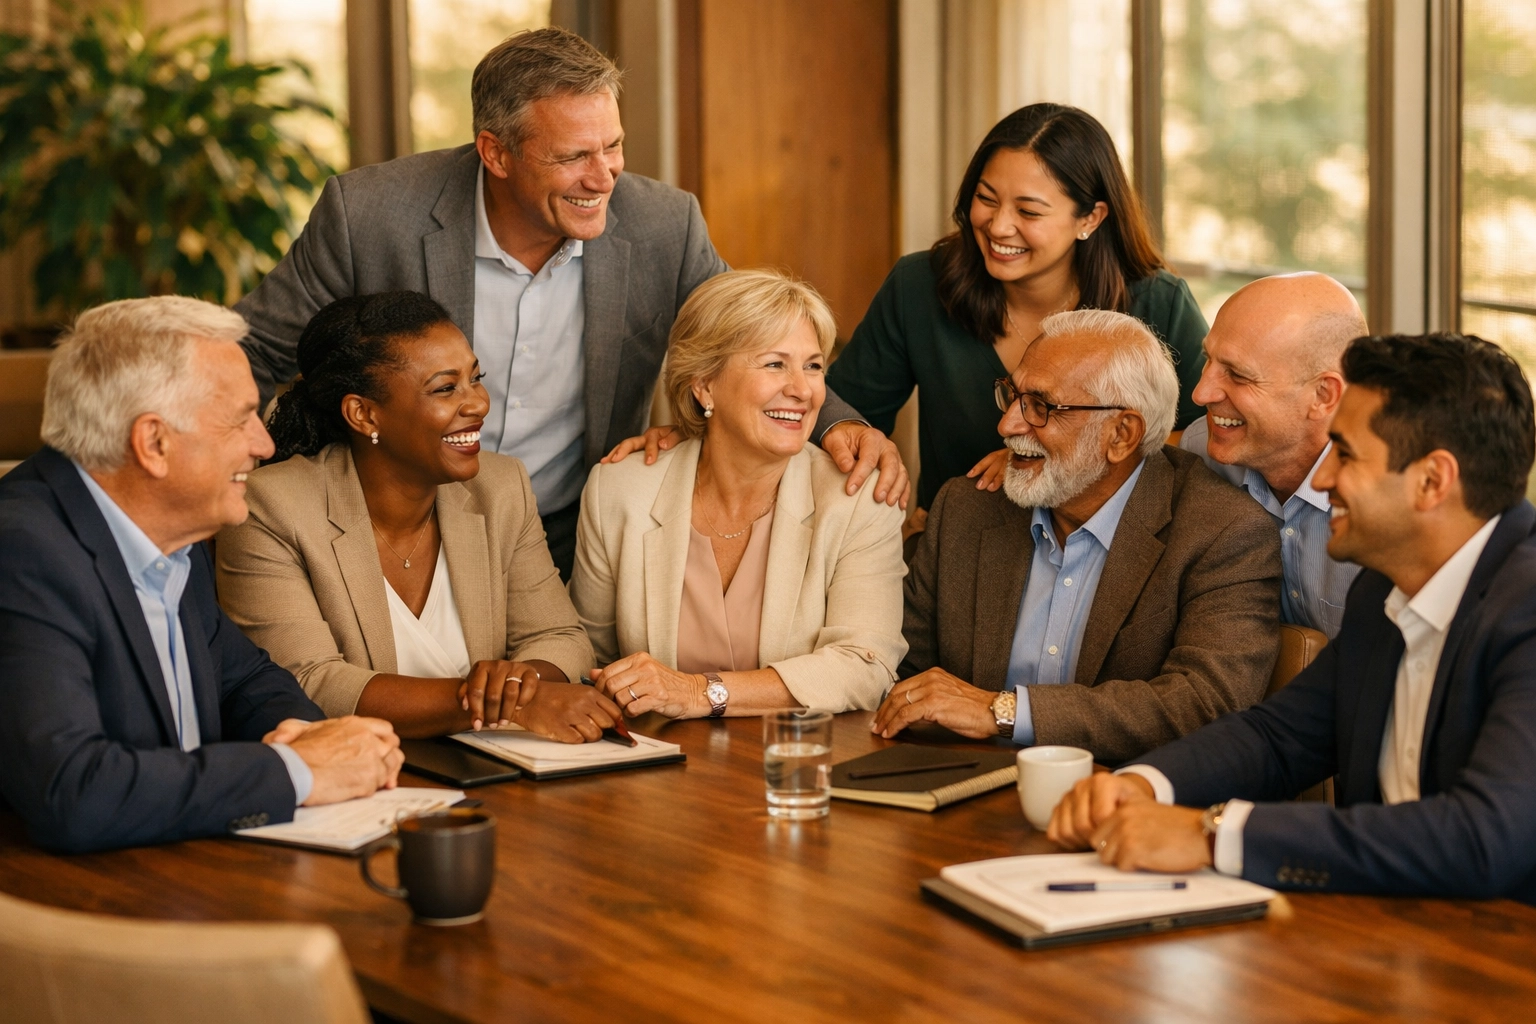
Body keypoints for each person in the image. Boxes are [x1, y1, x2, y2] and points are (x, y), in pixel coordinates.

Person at [234, 27, 907, 578]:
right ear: (495, 153)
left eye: (613, 146)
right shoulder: (371, 215)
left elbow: (749, 340)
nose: (604, 176)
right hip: (390, 529)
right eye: (573, 156)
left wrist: (837, 425)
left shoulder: (662, 225)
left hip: (562, 536)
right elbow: (258, 349)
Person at [1049, 333, 1536, 903]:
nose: (1324, 481)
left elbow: (1481, 840)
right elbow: (1278, 739)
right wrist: (1141, 786)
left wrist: (1214, 835)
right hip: (1386, 938)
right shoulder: (1382, 588)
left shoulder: (1525, 609)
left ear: (1433, 481)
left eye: (1346, 456)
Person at [0, 297, 404, 854]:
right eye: (240, 419)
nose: (263, 444)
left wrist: (317, 739)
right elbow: (74, 791)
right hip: (74, 906)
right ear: (154, 443)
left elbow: (246, 682)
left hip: (177, 864)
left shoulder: (168, 531)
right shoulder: (22, 552)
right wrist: (296, 771)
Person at [877, 309, 1280, 764]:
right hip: (961, 793)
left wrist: (1004, 710)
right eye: (1012, 396)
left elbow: (1205, 704)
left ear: (1122, 435)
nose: (1008, 425)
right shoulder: (967, 508)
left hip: (1126, 807)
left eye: (1041, 406)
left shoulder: (1223, 531)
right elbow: (900, 672)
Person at [217, 292, 618, 743]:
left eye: (475, 378)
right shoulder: (272, 508)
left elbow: (561, 636)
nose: (478, 403)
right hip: (354, 780)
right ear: (364, 413)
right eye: (446, 389)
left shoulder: (499, 487)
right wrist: (509, 703)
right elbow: (308, 682)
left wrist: (516, 686)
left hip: (498, 773)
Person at [821, 103, 1209, 511]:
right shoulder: (920, 285)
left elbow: (1206, 435)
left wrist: (1044, 455)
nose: (999, 226)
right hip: (955, 548)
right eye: (986, 199)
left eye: (1028, 211)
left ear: (1090, 219)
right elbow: (838, 404)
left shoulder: (1158, 302)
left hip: (1106, 553)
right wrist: (850, 432)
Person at [569, 270, 908, 718]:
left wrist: (697, 692)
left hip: (796, 768)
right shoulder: (620, 490)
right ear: (704, 384)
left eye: (813, 365)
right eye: (774, 364)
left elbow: (866, 667)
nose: (803, 390)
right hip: (652, 770)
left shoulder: (856, 500)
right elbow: (589, 660)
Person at [1181, 273, 1368, 637]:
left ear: (1323, 395)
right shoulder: (1200, 452)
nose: (1201, 393)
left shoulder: (1393, 499)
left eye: (1237, 375)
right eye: (1208, 359)